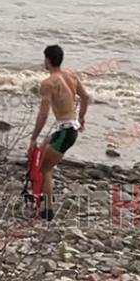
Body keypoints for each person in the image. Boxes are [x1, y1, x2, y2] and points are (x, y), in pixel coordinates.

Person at [29, 45, 90, 221]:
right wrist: (82, 118)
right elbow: (86, 98)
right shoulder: (71, 76)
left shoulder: (48, 83)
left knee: (44, 169)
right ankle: (46, 197)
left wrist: (33, 137)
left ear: (47, 60)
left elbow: (43, 113)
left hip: (65, 131)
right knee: (43, 149)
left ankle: (47, 210)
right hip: (66, 127)